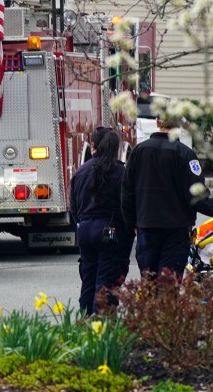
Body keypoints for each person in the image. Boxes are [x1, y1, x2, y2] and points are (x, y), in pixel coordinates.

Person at [121, 112, 213, 279]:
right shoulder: (185, 154)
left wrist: (132, 224)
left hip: (146, 228)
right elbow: (198, 197)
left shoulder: (138, 152)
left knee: (149, 284)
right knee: (169, 288)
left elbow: (127, 193)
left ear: (157, 122)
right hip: (176, 231)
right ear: (178, 125)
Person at [69, 127, 134, 314]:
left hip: (85, 229)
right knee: (107, 276)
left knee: (88, 277)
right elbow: (127, 205)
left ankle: (84, 318)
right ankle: (102, 322)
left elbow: (74, 205)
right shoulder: (120, 172)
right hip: (109, 229)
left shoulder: (80, 172)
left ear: (94, 146)